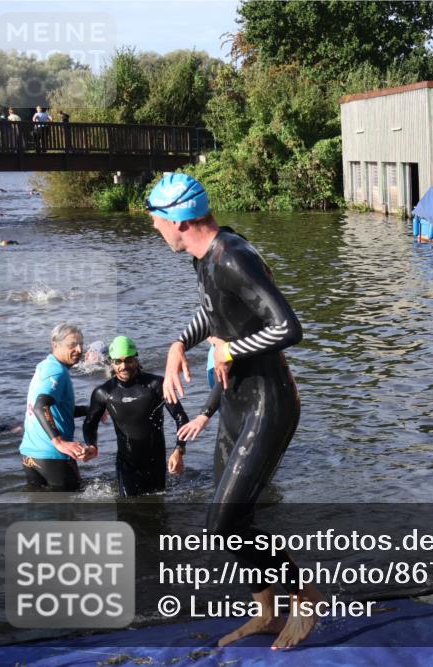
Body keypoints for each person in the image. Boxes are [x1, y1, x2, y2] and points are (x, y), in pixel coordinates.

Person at [149, 173, 321, 648]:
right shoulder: (203, 259)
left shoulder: (233, 256)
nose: (155, 229)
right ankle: (266, 611)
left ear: (180, 221)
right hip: (235, 403)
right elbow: (214, 312)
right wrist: (178, 343)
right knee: (229, 525)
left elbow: (288, 327)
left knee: (222, 523)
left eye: (157, 221)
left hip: (269, 403)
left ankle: (304, 600)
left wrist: (230, 352)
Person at [82, 336, 191, 497]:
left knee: (158, 511)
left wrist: (179, 451)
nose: (124, 366)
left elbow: (181, 417)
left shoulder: (157, 385)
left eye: (129, 360)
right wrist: (92, 445)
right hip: (126, 465)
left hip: (156, 463)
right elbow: (89, 424)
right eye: (118, 361)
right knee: (127, 509)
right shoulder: (104, 393)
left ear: (136, 358)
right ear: (111, 362)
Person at [19, 324, 95, 491]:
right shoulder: (57, 372)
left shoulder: (45, 366)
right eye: (72, 345)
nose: (79, 349)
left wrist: (88, 410)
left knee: (41, 510)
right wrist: (59, 441)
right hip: (52, 456)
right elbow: (40, 406)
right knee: (71, 508)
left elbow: (56, 410)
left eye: (81, 344)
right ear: (55, 345)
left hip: (29, 455)